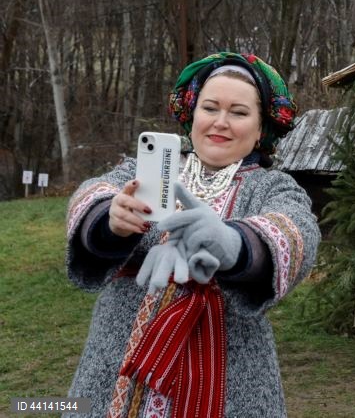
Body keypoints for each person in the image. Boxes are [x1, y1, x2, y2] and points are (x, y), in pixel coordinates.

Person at [64, 52, 319, 417]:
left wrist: (233, 244)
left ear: (262, 128)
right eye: (210, 108)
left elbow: (297, 231)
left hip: (232, 376)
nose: (220, 122)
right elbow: (92, 194)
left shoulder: (273, 186)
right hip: (116, 363)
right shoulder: (148, 169)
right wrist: (111, 218)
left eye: (239, 113)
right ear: (192, 114)